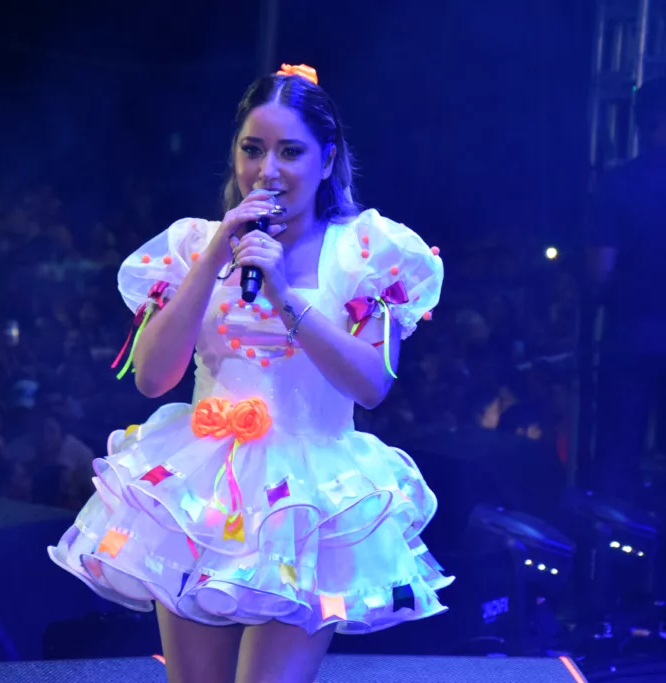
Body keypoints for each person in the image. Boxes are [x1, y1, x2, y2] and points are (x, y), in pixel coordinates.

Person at [48, 64, 451, 683]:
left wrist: (286, 295)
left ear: (326, 158)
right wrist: (216, 255)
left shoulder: (368, 250)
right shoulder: (193, 247)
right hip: (199, 493)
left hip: (309, 500)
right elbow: (153, 378)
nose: (268, 170)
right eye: (252, 149)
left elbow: (372, 385)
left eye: (290, 151)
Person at [590, 77, 666, 498]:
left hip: (632, 339)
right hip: (636, 336)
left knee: (618, 458)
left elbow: (601, 268)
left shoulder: (620, 185)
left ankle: (609, 558)